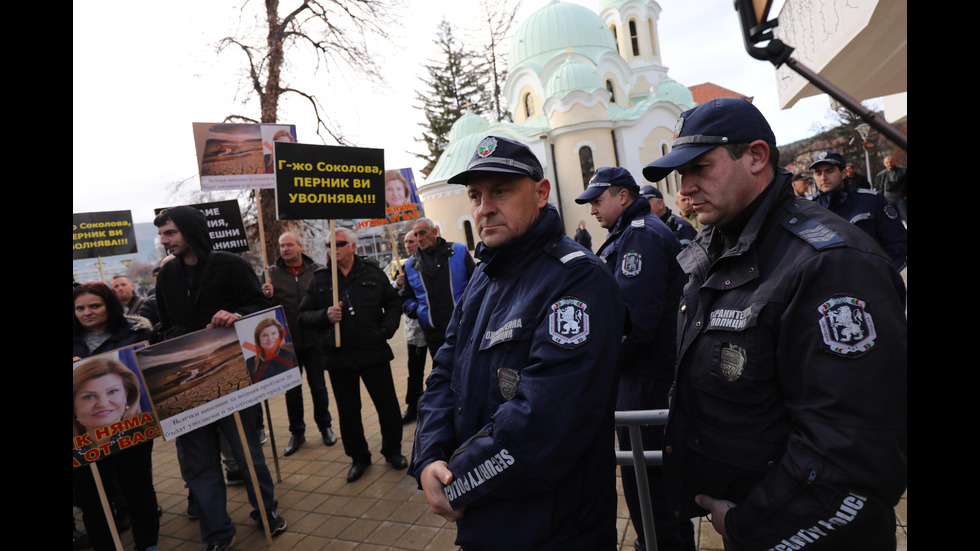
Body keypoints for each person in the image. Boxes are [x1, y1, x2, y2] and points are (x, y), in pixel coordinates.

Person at [642, 98, 907, 550]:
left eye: (700, 168)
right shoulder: (718, 249)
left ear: (757, 157)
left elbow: (855, 448)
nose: (685, 189)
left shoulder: (829, 262)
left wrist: (754, 527)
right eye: (679, 175)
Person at [410, 136, 625, 551]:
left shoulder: (577, 280)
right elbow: (444, 372)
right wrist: (428, 457)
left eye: (501, 191)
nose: (484, 206)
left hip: (555, 528)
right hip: (485, 518)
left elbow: (546, 421)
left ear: (541, 193)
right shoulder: (483, 277)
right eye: (475, 194)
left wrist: (454, 483)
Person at [154, 206, 285, 550]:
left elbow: (260, 307)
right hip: (186, 385)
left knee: (246, 453)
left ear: (189, 230)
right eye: (161, 234)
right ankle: (216, 533)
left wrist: (237, 316)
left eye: (170, 233)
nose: (164, 240)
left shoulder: (230, 265)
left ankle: (266, 511)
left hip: (232, 379)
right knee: (197, 463)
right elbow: (165, 324)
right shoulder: (166, 276)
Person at [576, 169, 693, 551]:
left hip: (645, 381)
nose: (593, 209)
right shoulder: (632, 232)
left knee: (650, 484)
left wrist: (594, 369)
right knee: (650, 481)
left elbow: (633, 325)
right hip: (643, 377)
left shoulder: (639, 237)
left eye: (597, 200)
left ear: (623, 196)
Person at [297, 227, 406, 483]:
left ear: (353, 247)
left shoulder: (371, 272)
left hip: (373, 351)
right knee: (348, 411)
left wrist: (386, 330)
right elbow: (303, 316)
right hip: (339, 356)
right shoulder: (321, 279)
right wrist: (325, 315)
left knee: (387, 405)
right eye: (328, 245)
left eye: (338, 243)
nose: (331, 249)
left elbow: (393, 303)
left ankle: (393, 450)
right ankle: (359, 457)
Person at [73, 282, 159, 551]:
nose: (87, 312)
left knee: (138, 490)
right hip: (83, 436)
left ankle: (147, 544)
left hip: (132, 428)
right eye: (79, 308)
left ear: (109, 305)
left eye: (94, 306)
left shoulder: (136, 333)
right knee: (94, 498)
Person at [261, 231, 337, 456]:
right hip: (286, 344)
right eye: (282, 245)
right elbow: (262, 310)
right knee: (291, 391)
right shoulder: (270, 275)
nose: (284, 249)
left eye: (289, 245)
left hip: (315, 340)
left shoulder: (316, 271)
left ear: (300, 246)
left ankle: (325, 427)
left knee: (319, 387)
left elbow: (326, 301)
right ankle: (297, 432)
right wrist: (267, 296)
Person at [810, 150, 907, 270]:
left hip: (873, 281)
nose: (823, 178)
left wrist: (883, 276)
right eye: (818, 173)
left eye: (829, 171)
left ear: (844, 173)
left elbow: (898, 244)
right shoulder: (809, 209)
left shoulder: (870, 201)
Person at [401, 217, 475, 358]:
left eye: (422, 233)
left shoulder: (458, 251)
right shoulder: (410, 265)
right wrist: (418, 311)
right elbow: (406, 298)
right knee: (444, 375)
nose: (419, 238)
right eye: (416, 235)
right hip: (434, 334)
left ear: (434, 232)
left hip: (464, 327)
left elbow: (477, 284)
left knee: (470, 372)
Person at [394, 231, 428, 424]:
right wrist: (399, 285)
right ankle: (413, 407)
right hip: (415, 328)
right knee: (415, 370)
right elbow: (401, 297)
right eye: (406, 242)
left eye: (411, 241)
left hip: (434, 325)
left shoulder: (428, 262)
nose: (408, 245)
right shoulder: (405, 266)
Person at [640, 184, 697, 249]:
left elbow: (686, 257)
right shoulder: (647, 228)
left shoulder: (682, 227)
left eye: (646, 204)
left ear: (660, 204)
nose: (642, 208)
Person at [244, 318, 297, 382]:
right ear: (258, 339)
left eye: (274, 333)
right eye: (264, 335)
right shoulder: (250, 362)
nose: (270, 338)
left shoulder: (292, 350)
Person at [875, 156, 908, 222]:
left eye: (891, 162)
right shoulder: (881, 175)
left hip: (901, 199)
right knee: (893, 220)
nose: (889, 164)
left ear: (894, 162)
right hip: (887, 201)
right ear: (884, 163)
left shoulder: (903, 171)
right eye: (887, 162)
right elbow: (878, 188)